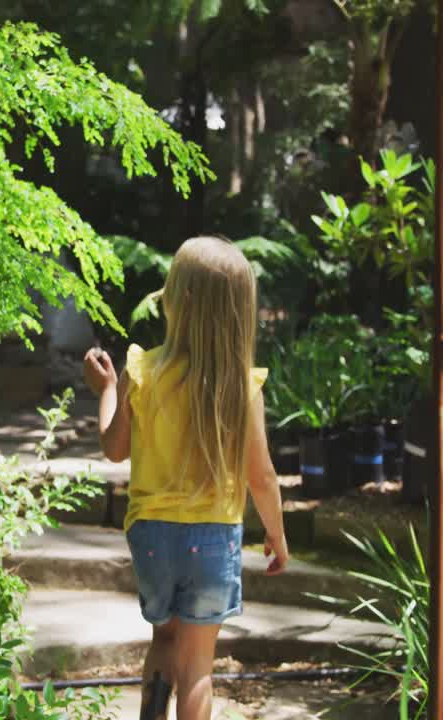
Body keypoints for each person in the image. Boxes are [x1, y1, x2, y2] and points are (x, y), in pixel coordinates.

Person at [82, 236, 289, 720]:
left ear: (175, 301)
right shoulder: (242, 385)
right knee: (198, 665)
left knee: (163, 641)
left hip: (152, 531)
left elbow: (114, 449)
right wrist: (276, 535)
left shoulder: (142, 371)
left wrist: (107, 389)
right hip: (214, 536)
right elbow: (262, 475)